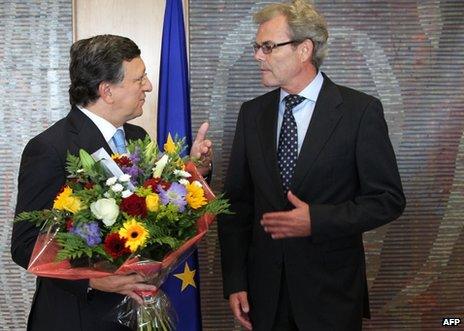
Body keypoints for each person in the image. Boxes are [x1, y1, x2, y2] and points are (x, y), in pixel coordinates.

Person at [218, 1, 406, 330]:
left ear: (304, 49)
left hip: (330, 295)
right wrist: (236, 280)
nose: (257, 56)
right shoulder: (252, 114)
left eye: (267, 47)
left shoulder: (360, 112)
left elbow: (387, 200)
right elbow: (237, 204)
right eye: (256, 47)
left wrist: (316, 219)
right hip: (265, 295)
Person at [11, 34, 212, 331]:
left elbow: (156, 211)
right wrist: (94, 280)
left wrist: (193, 171)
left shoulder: (137, 138)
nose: (148, 86)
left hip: (136, 313)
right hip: (77, 318)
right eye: (139, 79)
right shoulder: (50, 148)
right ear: (107, 91)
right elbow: (25, 244)